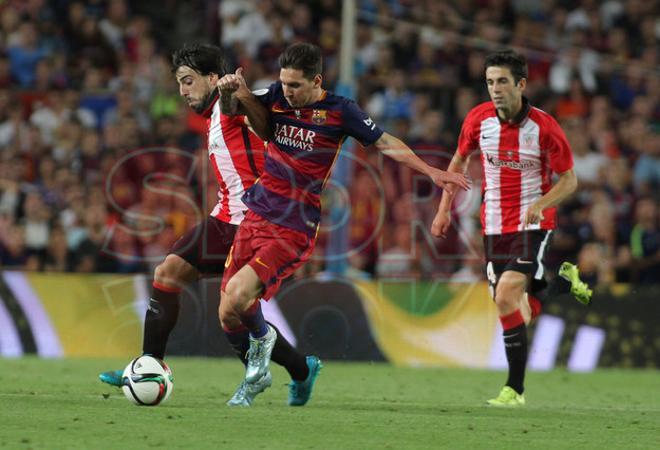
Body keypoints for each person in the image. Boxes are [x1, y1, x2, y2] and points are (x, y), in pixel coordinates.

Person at [216, 43, 470, 393]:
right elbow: (253, 125)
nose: (287, 92)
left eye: (295, 86)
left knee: (240, 293)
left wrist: (429, 170)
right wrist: (234, 94)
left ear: (316, 80)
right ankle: (301, 372)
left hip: (293, 224)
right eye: (283, 83)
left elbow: (384, 142)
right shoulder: (275, 96)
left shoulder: (339, 110)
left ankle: (255, 373)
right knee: (227, 312)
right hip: (257, 212)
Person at [98, 43, 317, 408]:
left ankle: (296, 371)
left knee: (232, 310)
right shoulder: (214, 115)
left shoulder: (235, 103)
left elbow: (272, 101)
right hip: (224, 218)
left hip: (259, 223)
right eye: (179, 83)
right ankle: (147, 365)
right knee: (167, 273)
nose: (183, 91)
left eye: (188, 81)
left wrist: (249, 91)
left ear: (214, 78)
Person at [431, 49, 592, 407]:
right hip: (493, 226)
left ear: (520, 84)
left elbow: (569, 181)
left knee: (505, 297)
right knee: (520, 310)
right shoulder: (478, 120)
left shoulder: (545, 127)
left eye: (502, 81)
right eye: (490, 82)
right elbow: (458, 162)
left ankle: (514, 391)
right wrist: (443, 210)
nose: (495, 89)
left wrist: (540, 204)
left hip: (532, 224)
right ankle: (564, 282)